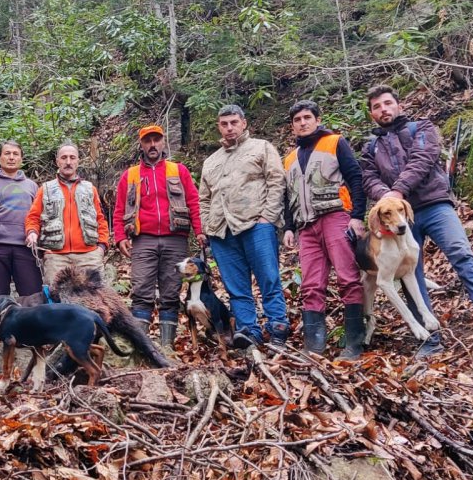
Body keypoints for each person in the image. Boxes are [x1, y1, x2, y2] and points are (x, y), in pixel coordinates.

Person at [360, 85, 473, 357]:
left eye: (387, 103)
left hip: (434, 205)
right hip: (398, 218)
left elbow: (423, 159)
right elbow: (367, 177)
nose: (383, 109)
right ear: (372, 113)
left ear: (399, 105)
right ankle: (430, 339)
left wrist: (397, 191)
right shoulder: (371, 147)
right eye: (377, 107)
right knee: (411, 273)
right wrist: (386, 196)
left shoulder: (421, 128)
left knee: (461, 252)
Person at [281, 100, 367, 359]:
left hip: (335, 217)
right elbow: (288, 196)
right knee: (310, 285)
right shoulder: (289, 159)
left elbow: (355, 178)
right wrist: (288, 228)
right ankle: (314, 347)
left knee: (348, 278)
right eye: (297, 120)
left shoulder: (335, 142)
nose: (303, 123)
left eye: (307, 117)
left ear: (317, 120)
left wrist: (357, 216)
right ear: (292, 126)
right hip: (306, 227)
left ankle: (354, 344)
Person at [198, 104, 289, 348]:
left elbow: (277, 181)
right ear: (219, 126)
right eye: (224, 124)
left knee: (268, 278)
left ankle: (278, 326)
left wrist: (268, 217)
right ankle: (248, 331)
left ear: (243, 123)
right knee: (236, 287)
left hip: (256, 225)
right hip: (221, 231)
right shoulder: (211, 161)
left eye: (234, 123)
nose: (229, 128)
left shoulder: (261, 148)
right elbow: (204, 198)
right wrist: (207, 225)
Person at [113, 125, 203, 347]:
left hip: (175, 239)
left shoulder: (178, 170)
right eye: (147, 141)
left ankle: (166, 347)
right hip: (143, 240)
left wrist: (200, 231)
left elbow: (193, 202)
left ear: (163, 142)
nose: (152, 145)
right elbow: (119, 209)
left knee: (170, 293)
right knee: (141, 292)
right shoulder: (130, 175)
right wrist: (120, 237)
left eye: (156, 140)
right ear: (141, 145)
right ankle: (141, 347)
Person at [25, 143, 110, 284]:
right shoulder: (45, 189)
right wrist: (32, 232)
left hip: (89, 256)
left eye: (72, 157)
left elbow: (101, 219)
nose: (68, 162)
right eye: (64, 158)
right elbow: (33, 217)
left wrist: (101, 247)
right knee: (56, 296)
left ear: (78, 161)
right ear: (57, 161)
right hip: (55, 257)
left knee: (95, 296)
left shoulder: (90, 189)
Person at [0, 140, 42, 298]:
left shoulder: (32, 186)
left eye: (15, 154)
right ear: (0, 158)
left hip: (25, 247)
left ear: (21, 159)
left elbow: (37, 216)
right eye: (7, 153)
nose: (11, 157)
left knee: (32, 296)